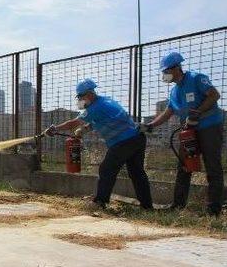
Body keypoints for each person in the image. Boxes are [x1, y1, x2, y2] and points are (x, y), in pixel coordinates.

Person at [45, 79, 153, 210]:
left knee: (106, 169)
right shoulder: (105, 101)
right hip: (137, 138)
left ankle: (100, 202)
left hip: (124, 141)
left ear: (90, 94)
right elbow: (100, 121)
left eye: (81, 96)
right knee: (137, 173)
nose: (79, 99)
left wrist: (55, 128)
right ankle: (147, 206)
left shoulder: (95, 107)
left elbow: (73, 122)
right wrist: (84, 130)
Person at [141, 52, 224, 216]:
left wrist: (197, 112)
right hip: (189, 132)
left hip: (210, 127)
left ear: (176, 68)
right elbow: (168, 112)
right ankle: (178, 206)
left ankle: (213, 211)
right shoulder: (174, 92)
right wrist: (151, 125)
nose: (164, 74)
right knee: (184, 166)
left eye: (166, 71)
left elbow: (214, 95)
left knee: (212, 167)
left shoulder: (196, 78)